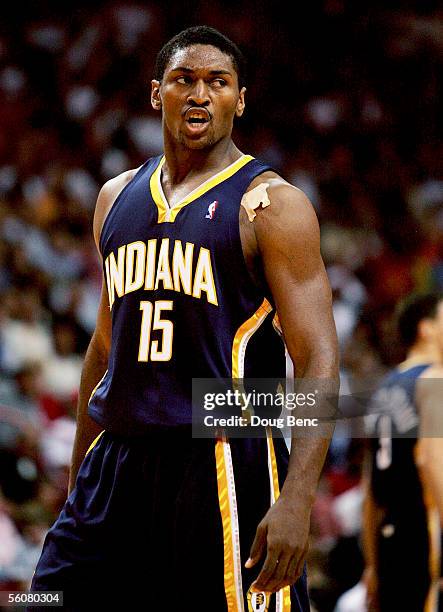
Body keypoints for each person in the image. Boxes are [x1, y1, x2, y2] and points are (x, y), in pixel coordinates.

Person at [28, 26, 339, 611]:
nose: (200, 94)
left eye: (217, 82)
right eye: (184, 80)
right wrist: (77, 481)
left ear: (239, 100)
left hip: (219, 456)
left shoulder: (271, 206)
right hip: (117, 461)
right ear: (156, 94)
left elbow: (318, 355)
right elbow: (103, 350)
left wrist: (298, 498)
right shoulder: (115, 197)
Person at [363, 292, 443, 612]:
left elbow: (370, 491)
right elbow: (432, 460)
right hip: (425, 533)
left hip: (389, 539)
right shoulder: (433, 379)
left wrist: (372, 564)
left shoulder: (384, 388)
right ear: (427, 329)